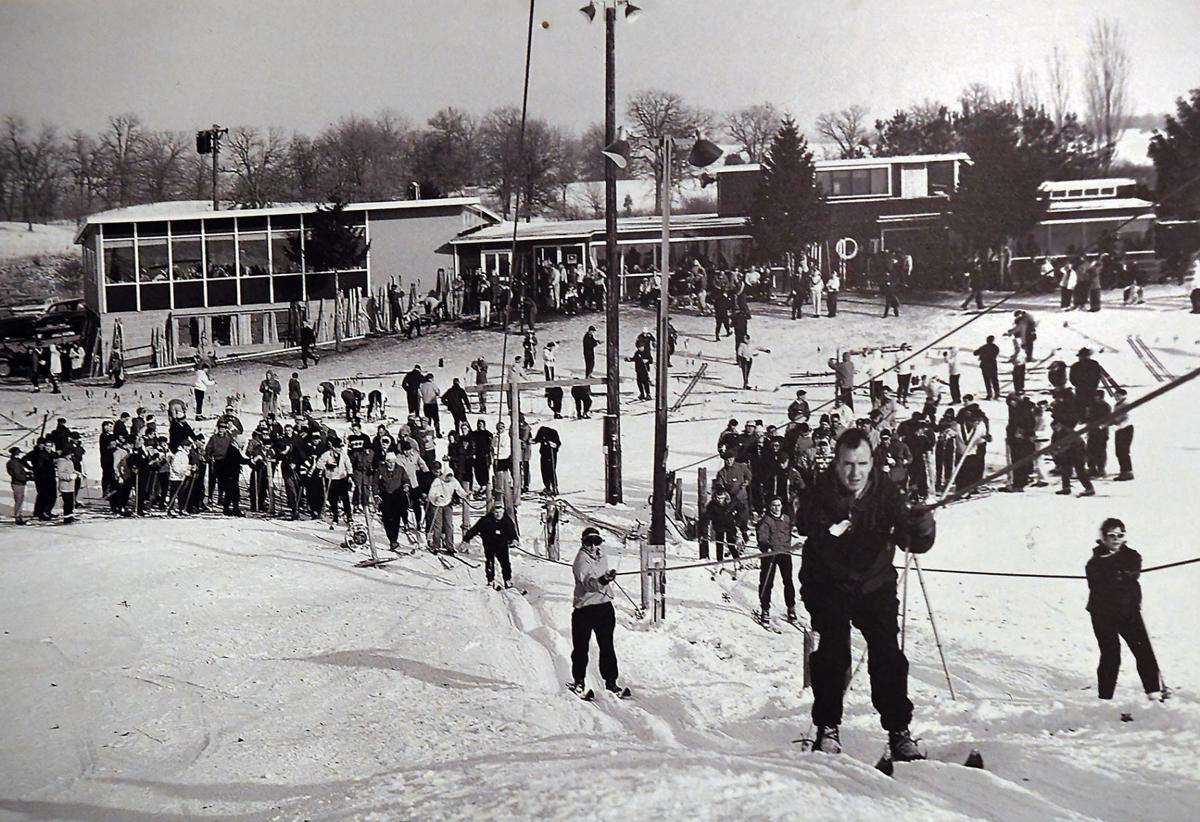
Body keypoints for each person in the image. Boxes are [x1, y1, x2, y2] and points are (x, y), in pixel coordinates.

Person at [798, 428, 936, 760]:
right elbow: (812, 527)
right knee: (832, 654)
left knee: (888, 655)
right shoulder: (819, 494)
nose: (855, 472)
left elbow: (914, 543)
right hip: (829, 584)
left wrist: (920, 523)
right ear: (836, 462)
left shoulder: (887, 494)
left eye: (861, 463)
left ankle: (898, 731)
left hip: (874, 586)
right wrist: (851, 523)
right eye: (847, 463)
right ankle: (827, 727)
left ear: (872, 461)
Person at [1085, 518, 1165, 701]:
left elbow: (1134, 570)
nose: (1116, 539)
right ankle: (1105, 699)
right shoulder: (1094, 562)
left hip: (1128, 612)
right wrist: (1114, 574)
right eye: (1111, 535)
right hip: (1103, 614)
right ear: (1103, 538)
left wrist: (1122, 574)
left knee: (1144, 652)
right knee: (1111, 655)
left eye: (1120, 535)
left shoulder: (1132, 556)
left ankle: (1154, 694)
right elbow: (1097, 585)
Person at [570, 527, 625, 696]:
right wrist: (604, 579)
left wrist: (608, 577)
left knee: (607, 645)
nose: (593, 547)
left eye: (596, 542)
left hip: (604, 607)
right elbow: (589, 584)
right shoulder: (580, 560)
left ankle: (611, 682)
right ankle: (579, 682)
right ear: (583, 542)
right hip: (585, 609)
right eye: (589, 543)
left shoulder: (602, 556)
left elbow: (602, 579)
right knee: (581, 648)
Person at [756, 496, 797, 623]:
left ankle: (791, 608)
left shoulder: (787, 519)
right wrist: (765, 546)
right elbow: (762, 537)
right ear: (770, 506)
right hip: (770, 554)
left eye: (778, 505)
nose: (776, 507)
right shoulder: (766, 521)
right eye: (774, 505)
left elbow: (793, 530)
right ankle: (765, 609)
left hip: (784, 553)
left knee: (788, 581)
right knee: (767, 582)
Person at [462, 505, 519, 589]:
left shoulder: (507, 520)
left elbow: (512, 531)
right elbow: (474, 529)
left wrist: (514, 539)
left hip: (502, 544)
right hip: (489, 544)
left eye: (500, 512)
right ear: (493, 512)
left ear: (503, 512)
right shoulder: (486, 520)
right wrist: (466, 540)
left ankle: (507, 580)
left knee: (505, 563)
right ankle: (490, 580)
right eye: (496, 512)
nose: (498, 514)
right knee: (490, 562)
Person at [426, 463, 467, 554]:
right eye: (447, 477)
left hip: (447, 503)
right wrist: (436, 497)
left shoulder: (453, 481)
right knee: (438, 526)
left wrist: (465, 495)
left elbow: (459, 489)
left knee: (449, 525)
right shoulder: (437, 481)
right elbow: (431, 494)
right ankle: (436, 545)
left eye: (451, 476)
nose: (449, 479)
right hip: (437, 505)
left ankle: (450, 545)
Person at [534, 425, 561, 495]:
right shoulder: (541, 432)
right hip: (544, 454)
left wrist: (554, 445)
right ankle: (547, 487)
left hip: (551, 455)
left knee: (551, 471)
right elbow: (537, 440)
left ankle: (554, 487)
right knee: (544, 471)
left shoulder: (553, 433)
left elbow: (558, 443)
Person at [7, 446, 31, 525]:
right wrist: (28, 478)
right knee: (18, 500)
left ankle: (19, 515)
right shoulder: (14, 463)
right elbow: (18, 475)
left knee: (19, 500)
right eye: (18, 453)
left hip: (19, 483)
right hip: (18, 483)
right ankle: (18, 517)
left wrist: (27, 474)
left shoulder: (15, 462)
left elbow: (20, 473)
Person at [974, 336, 1001, 400]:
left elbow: (975, 353)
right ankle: (997, 393)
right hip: (993, 365)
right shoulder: (996, 348)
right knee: (994, 379)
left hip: (985, 365)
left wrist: (982, 355)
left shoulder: (983, 347)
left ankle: (989, 394)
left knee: (987, 380)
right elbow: (996, 353)